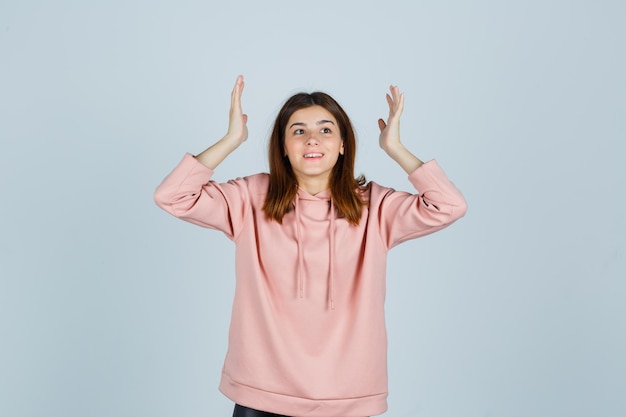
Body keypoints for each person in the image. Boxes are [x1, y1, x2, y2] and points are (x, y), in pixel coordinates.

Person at [154, 75, 467, 417]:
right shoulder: (250, 198)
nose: (312, 139)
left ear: (343, 144)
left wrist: (395, 148)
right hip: (260, 394)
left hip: (350, 398)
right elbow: (172, 196)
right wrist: (231, 140)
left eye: (326, 129)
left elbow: (449, 206)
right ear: (284, 146)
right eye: (298, 131)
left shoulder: (376, 206)